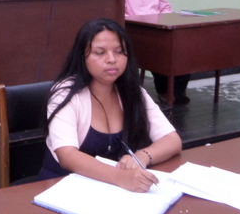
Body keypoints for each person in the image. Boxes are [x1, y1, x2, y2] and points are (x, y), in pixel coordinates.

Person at [39, 18, 182, 192]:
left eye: (119, 51)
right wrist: (120, 177)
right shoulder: (65, 94)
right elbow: (67, 155)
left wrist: (142, 157)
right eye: (100, 53)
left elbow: (172, 140)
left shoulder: (133, 92)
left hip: (113, 191)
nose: (112, 59)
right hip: (63, 188)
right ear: (82, 57)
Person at [112, 0, 191, 105]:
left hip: (157, 31)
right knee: (158, 53)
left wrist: (167, 18)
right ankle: (162, 91)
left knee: (182, 50)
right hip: (134, 33)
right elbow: (119, 16)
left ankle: (176, 92)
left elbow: (165, 8)